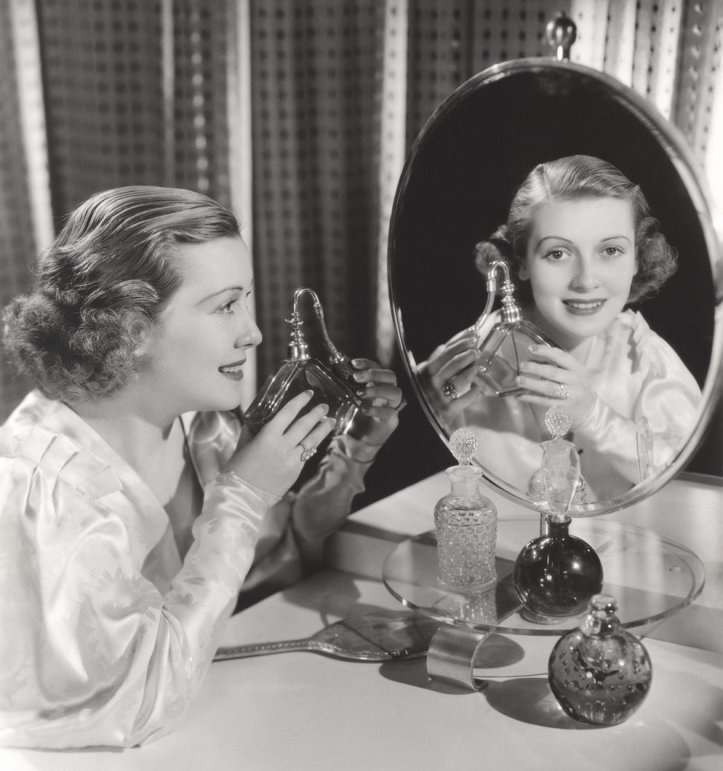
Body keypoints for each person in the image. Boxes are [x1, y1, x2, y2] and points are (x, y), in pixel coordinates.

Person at [0, 186, 405, 748]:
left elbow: (275, 560)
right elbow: (137, 703)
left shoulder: (200, 426)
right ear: (132, 330)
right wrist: (241, 494)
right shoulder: (43, 492)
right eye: (224, 306)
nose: (253, 332)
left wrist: (353, 451)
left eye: (247, 300)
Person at [418, 155, 702, 501]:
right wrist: (426, 408)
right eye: (557, 253)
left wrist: (593, 415)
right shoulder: (479, 353)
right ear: (521, 262)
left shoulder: (645, 359)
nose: (585, 280)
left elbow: (681, 478)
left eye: (610, 250)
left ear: (637, 260)